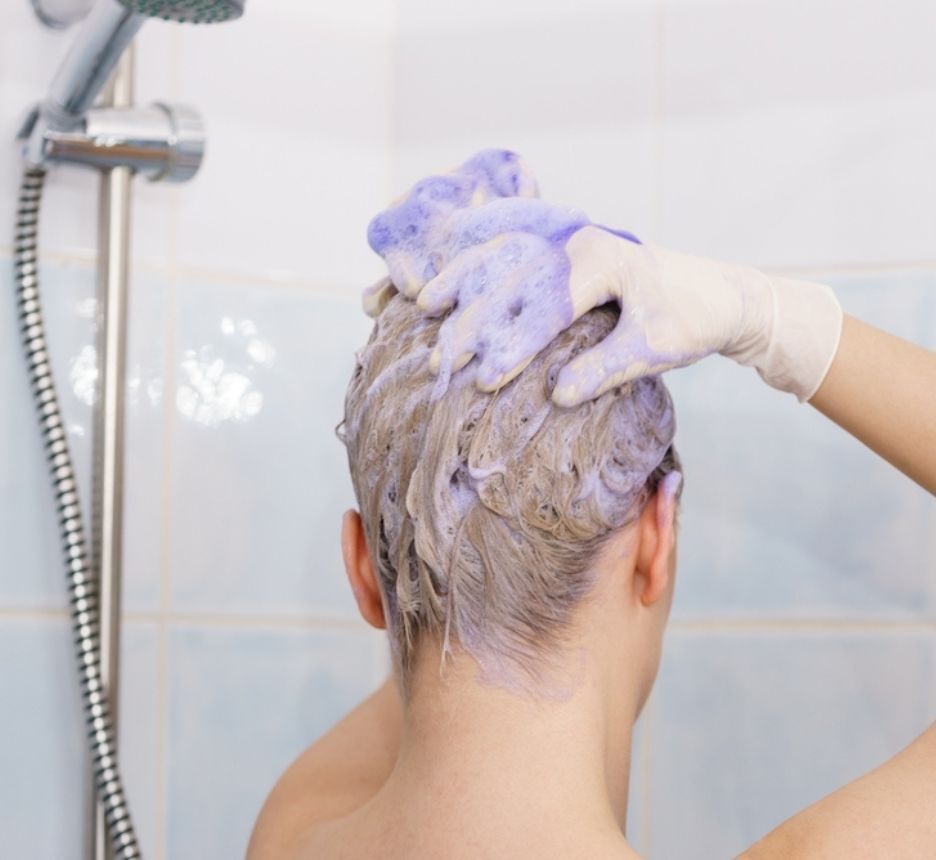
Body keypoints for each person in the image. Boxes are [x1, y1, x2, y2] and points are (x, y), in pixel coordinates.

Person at [247, 153, 936, 859]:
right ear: (656, 541)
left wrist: (438, 393)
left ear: (363, 571)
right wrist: (768, 319)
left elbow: (441, 597)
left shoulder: (288, 833)